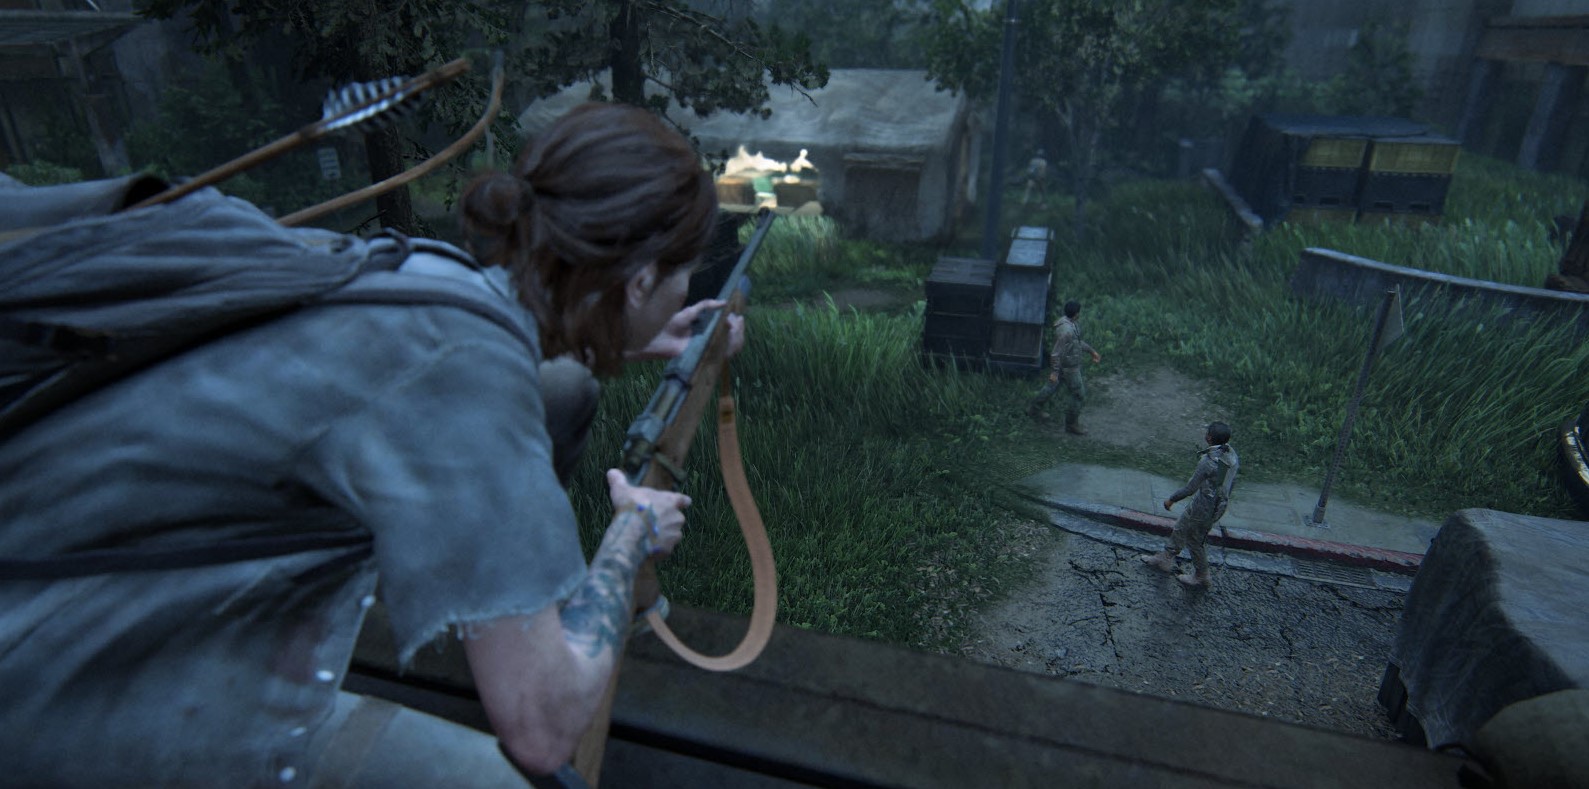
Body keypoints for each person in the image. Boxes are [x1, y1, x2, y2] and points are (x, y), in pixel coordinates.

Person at [0, 102, 743, 786]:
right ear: (639, 279)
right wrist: (629, 536)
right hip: (72, 686)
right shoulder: (465, 374)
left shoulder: (425, 277)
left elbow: (457, 367)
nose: (682, 291)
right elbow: (542, 728)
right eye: (680, 274)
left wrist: (629, 334)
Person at [1140, 422, 1240, 588]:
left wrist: (1171, 499)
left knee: (1194, 540)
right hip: (1216, 503)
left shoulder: (1208, 462)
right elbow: (1232, 481)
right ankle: (1166, 557)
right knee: (1182, 527)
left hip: (1204, 506)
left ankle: (1201, 575)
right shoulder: (1231, 455)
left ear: (1209, 438)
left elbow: (1190, 488)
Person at [1028, 300, 1101, 435]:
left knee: (1051, 387)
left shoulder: (1069, 323)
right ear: (1076, 314)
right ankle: (1071, 424)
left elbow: (1076, 343)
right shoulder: (1066, 331)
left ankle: (1034, 410)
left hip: (1065, 364)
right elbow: (1056, 353)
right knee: (1078, 395)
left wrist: (1091, 351)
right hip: (1068, 367)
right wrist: (1055, 372)